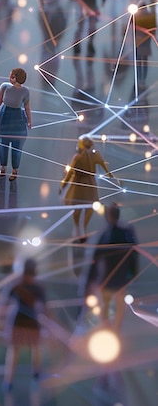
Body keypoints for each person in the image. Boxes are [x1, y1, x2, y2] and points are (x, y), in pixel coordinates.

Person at [85, 203, 138, 333]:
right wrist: (132, 274)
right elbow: (133, 254)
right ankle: (111, 329)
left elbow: (95, 258)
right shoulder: (123, 232)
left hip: (111, 279)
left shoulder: (106, 234)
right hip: (114, 279)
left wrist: (91, 280)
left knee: (109, 306)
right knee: (111, 306)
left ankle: (111, 329)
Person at [1, 258, 46, 396]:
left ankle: (10, 382)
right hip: (26, 321)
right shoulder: (35, 287)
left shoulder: (17, 286)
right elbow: (43, 308)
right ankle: (28, 378)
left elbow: (4, 304)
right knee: (27, 350)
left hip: (23, 321)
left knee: (21, 350)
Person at [60, 135, 117, 240]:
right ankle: (83, 229)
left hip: (78, 185)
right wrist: (112, 177)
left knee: (78, 208)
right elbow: (105, 167)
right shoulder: (95, 155)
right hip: (90, 185)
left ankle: (77, 229)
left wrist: (63, 185)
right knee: (89, 208)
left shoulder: (77, 157)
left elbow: (69, 174)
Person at [0, 67, 32, 181]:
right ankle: (3, 167)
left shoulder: (25, 91)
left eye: (12, 76)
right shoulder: (4, 87)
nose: (9, 77)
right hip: (4, 116)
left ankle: (15, 170)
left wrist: (29, 120)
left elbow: (27, 107)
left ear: (15, 78)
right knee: (3, 143)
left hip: (17, 119)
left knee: (16, 146)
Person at [133, 0, 156, 86]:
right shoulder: (150, 16)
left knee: (138, 62)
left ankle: (139, 79)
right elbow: (153, 30)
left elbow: (131, 26)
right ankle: (143, 79)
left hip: (138, 43)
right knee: (144, 61)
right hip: (146, 43)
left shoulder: (136, 16)